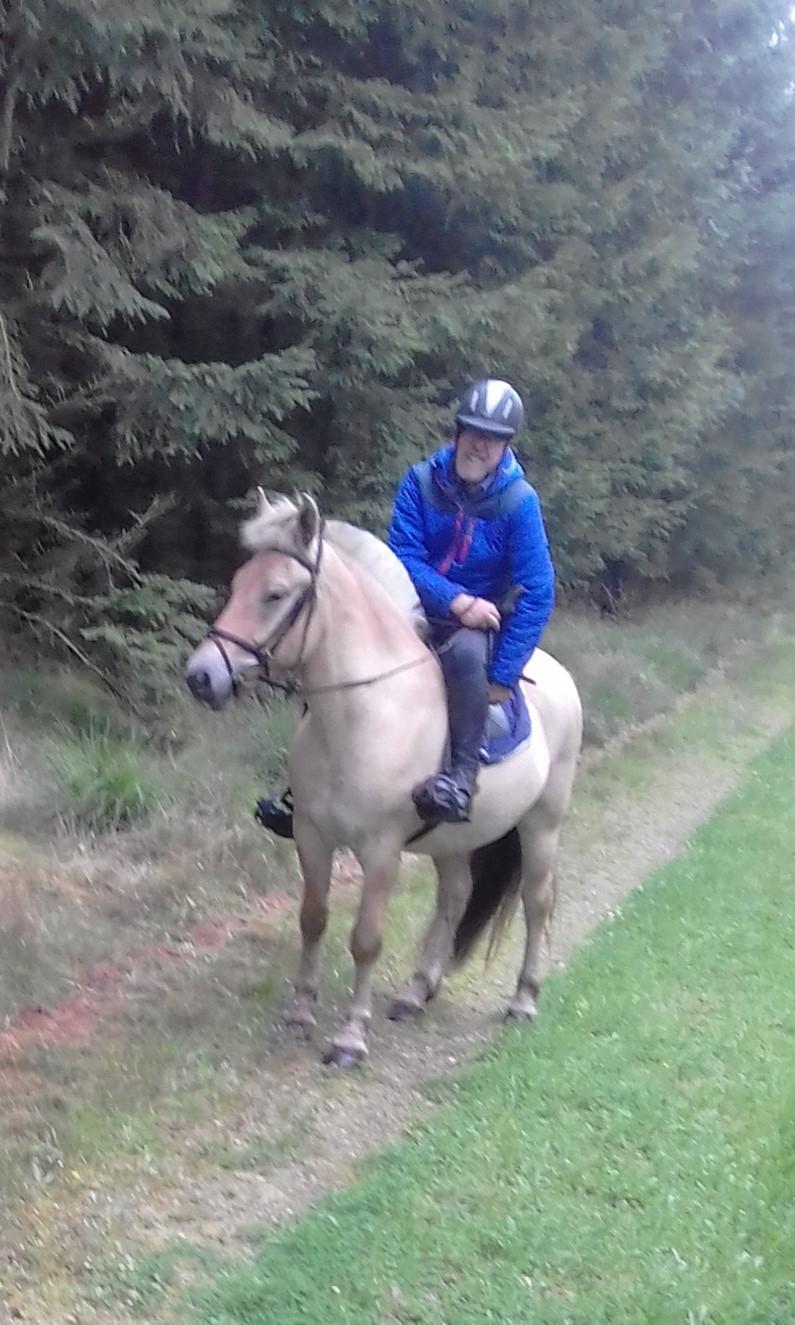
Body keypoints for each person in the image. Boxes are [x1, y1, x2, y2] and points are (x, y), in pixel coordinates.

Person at [255, 377, 555, 835]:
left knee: (468, 657)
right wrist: (455, 600)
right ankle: (303, 791)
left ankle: (459, 778)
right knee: (332, 657)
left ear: (506, 446)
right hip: (410, 606)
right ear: (457, 432)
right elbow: (405, 558)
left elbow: (539, 588)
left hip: (477, 627)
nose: (479, 446)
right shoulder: (419, 482)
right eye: (473, 432)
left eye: (492, 439)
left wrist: (504, 673)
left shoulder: (520, 502)